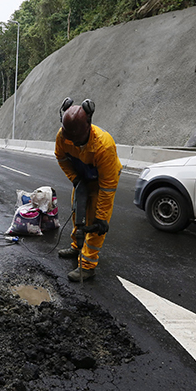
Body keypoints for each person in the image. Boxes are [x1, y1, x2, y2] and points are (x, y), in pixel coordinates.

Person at [55, 98, 122, 282]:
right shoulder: (63, 136)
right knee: (78, 211)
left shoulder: (104, 145)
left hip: (102, 181)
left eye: (77, 139)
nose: (74, 143)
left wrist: (101, 217)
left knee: (94, 223)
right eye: (71, 139)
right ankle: (76, 246)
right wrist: (76, 180)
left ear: (88, 126)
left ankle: (87, 266)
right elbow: (60, 158)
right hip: (83, 178)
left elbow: (108, 188)